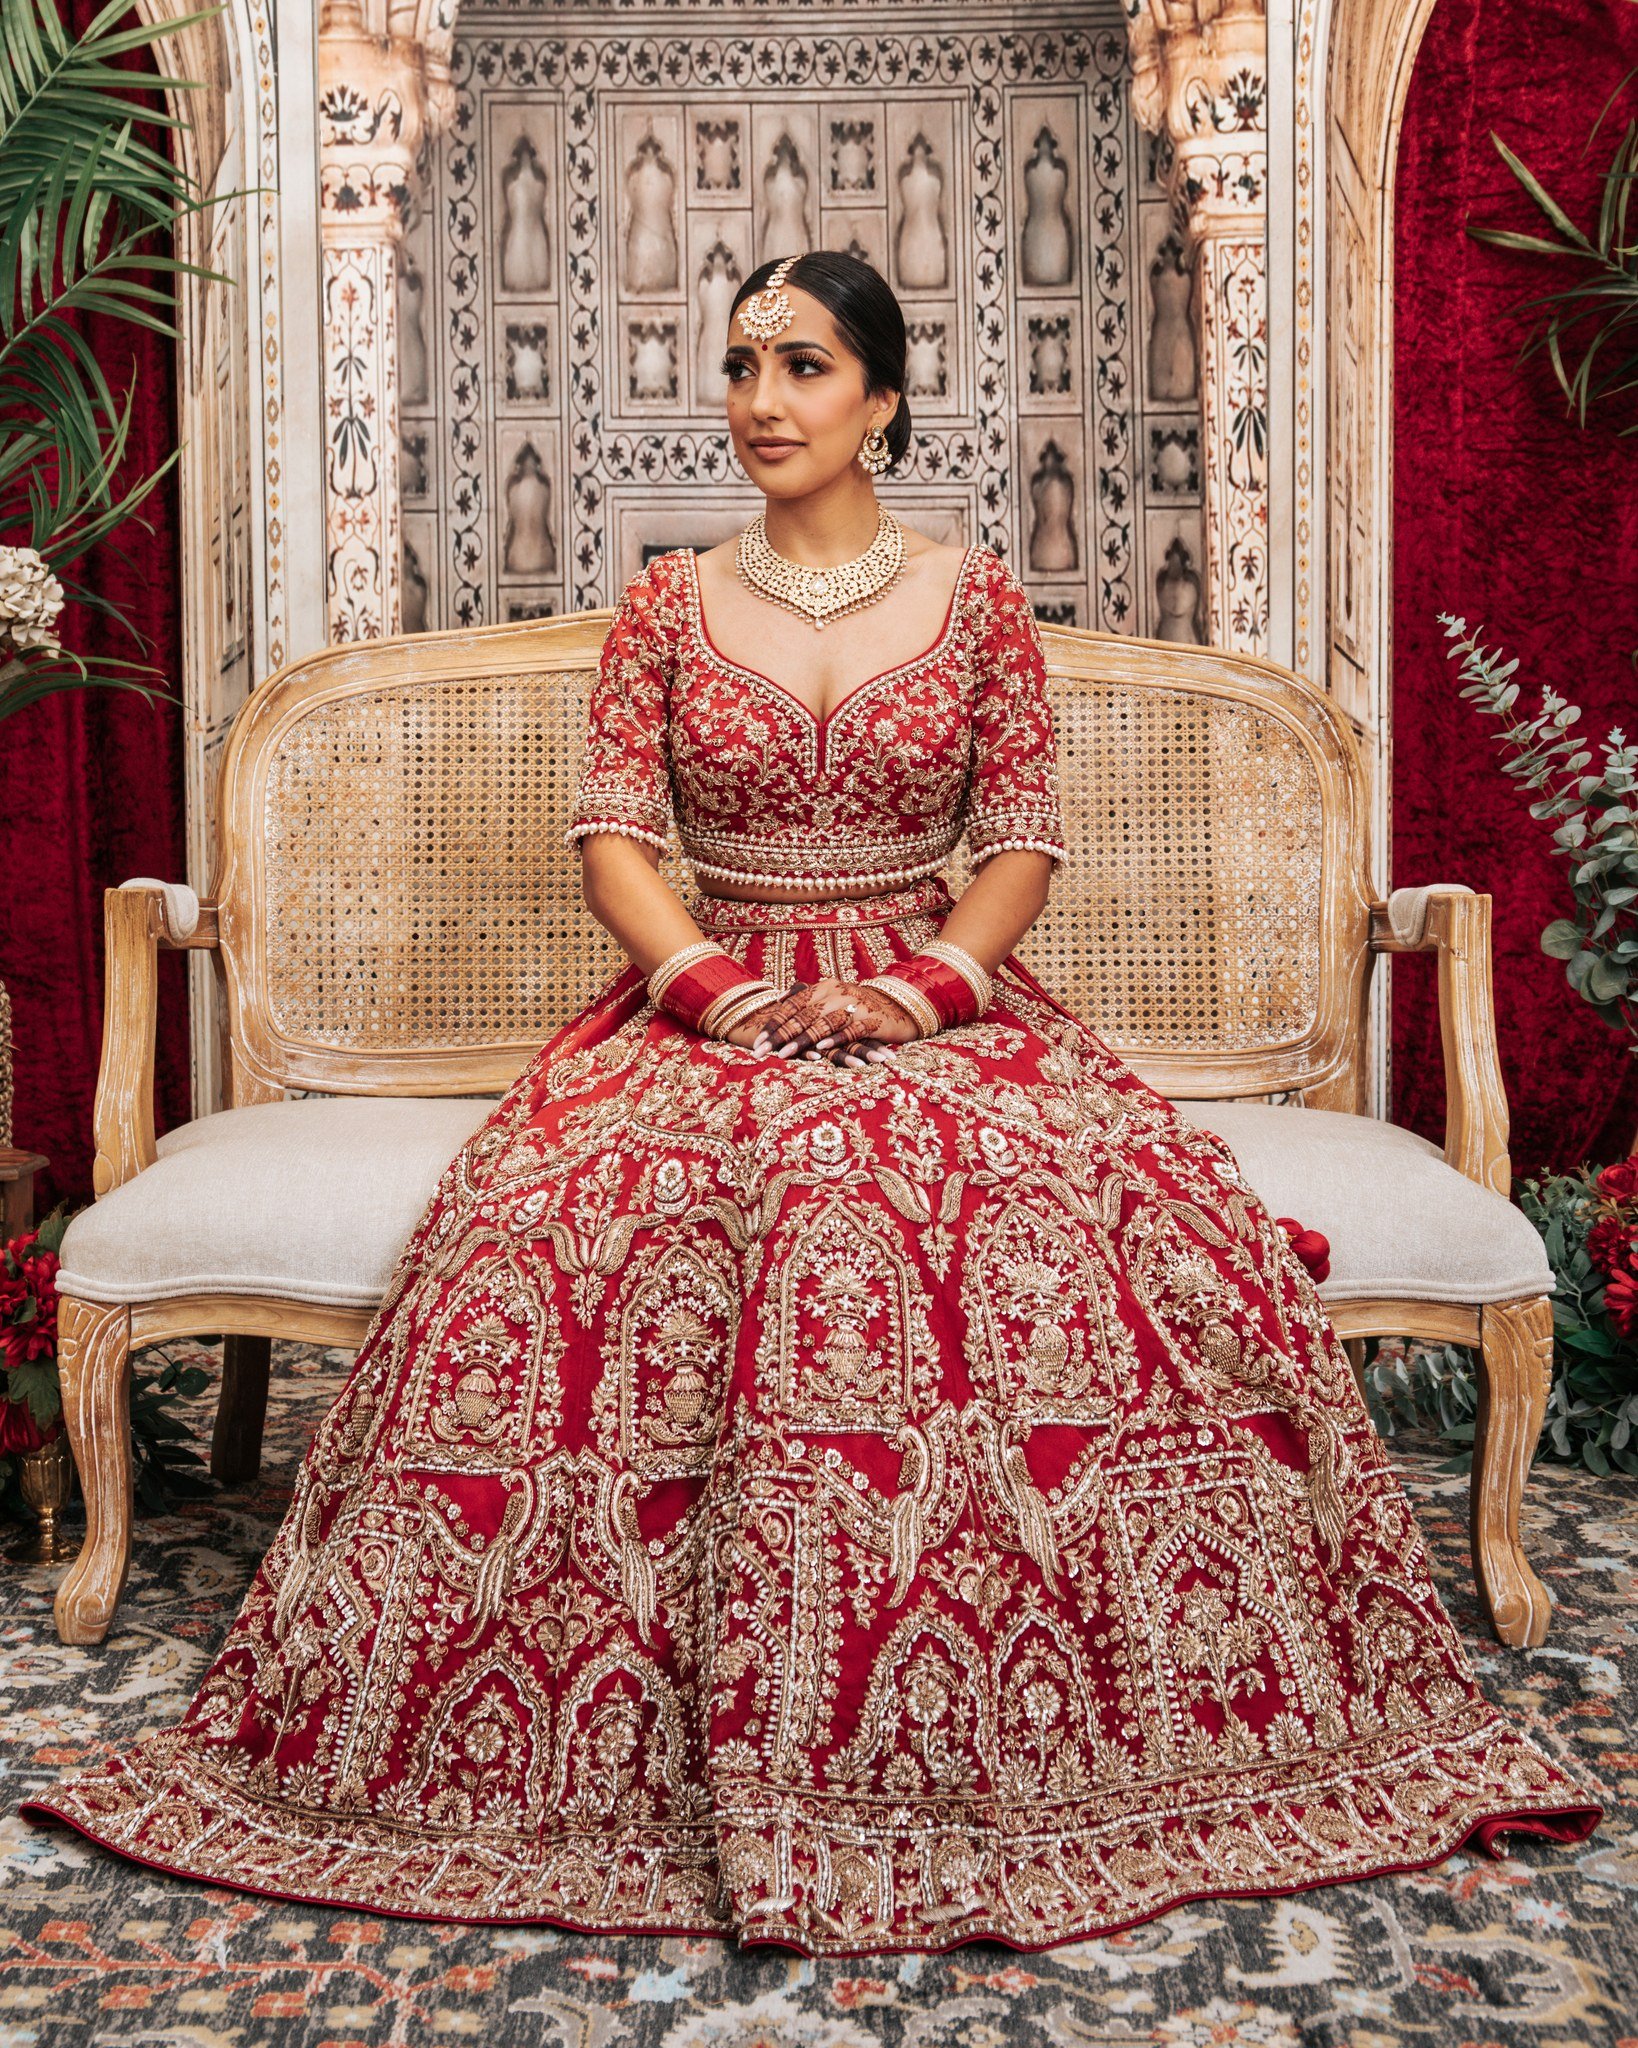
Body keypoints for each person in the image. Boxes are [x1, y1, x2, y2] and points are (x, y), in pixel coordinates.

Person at [22, 252, 1600, 1957]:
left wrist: (920, 992)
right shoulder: (667, 603)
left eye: (803, 364)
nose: (760, 399)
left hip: (940, 996)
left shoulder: (975, 599)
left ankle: (1025, 1715)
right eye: (740, 363)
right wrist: (715, 989)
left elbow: (1018, 844)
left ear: (882, 397)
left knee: (1050, 1193)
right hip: (708, 991)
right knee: (556, 1217)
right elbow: (613, 839)